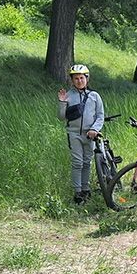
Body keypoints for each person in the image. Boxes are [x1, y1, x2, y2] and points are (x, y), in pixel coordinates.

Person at [57, 64, 105, 204]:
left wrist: (95, 129)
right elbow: (61, 117)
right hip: (74, 134)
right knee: (77, 162)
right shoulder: (68, 95)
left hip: (90, 135)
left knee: (87, 162)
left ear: (87, 78)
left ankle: (86, 189)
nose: (79, 81)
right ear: (72, 80)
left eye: (82, 78)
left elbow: (100, 116)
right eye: (76, 78)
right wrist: (62, 102)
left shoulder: (94, 96)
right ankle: (78, 192)